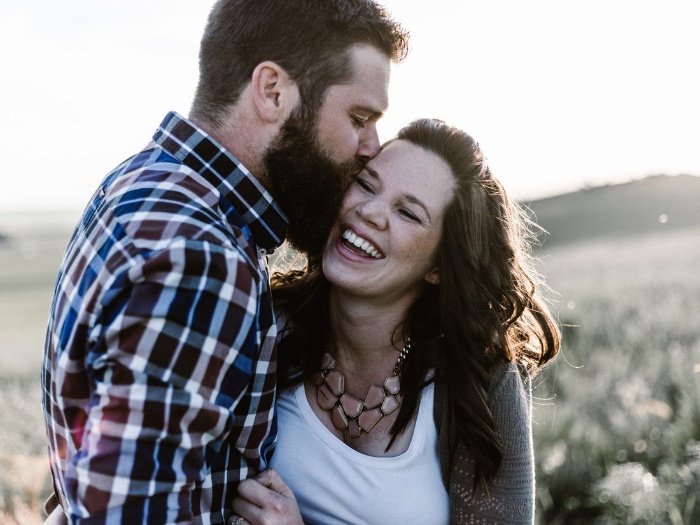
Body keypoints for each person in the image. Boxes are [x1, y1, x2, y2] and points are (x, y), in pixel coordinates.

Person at [41, 1, 408, 523]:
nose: (372, 146)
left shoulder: (141, 181)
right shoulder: (203, 259)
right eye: (359, 118)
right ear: (273, 91)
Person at [230, 119, 561, 524]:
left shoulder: (479, 382)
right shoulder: (266, 324)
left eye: (407, 212)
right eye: (366, 185)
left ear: (439, 265)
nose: (369, 212)